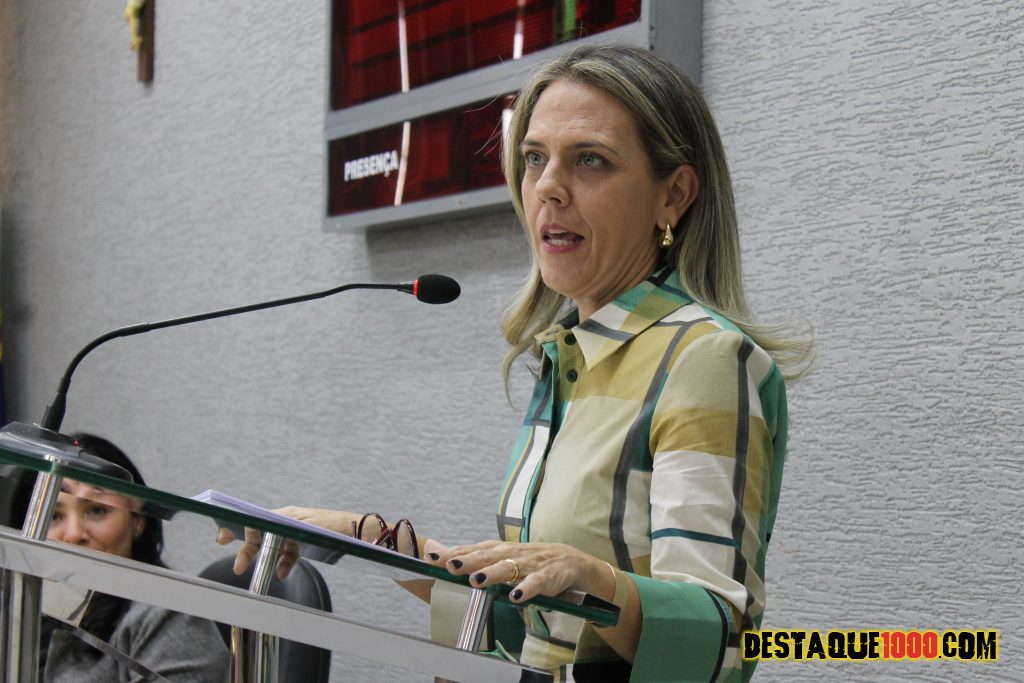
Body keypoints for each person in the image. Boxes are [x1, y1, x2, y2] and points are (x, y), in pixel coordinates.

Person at [225, 43, 813, 682]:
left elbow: (720, 644)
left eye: (590, 160)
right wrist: (366, 536)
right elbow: (534, 621)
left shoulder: (702, 358)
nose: (548, 188)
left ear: (673, 195)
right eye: (535, 158)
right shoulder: (574, 354)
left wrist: (595, 579)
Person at [42, 433, 230, 683]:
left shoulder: (168, 616)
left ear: (138, 521)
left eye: (97, 510)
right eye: (54, 515)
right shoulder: (27, 602)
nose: (74, 534)